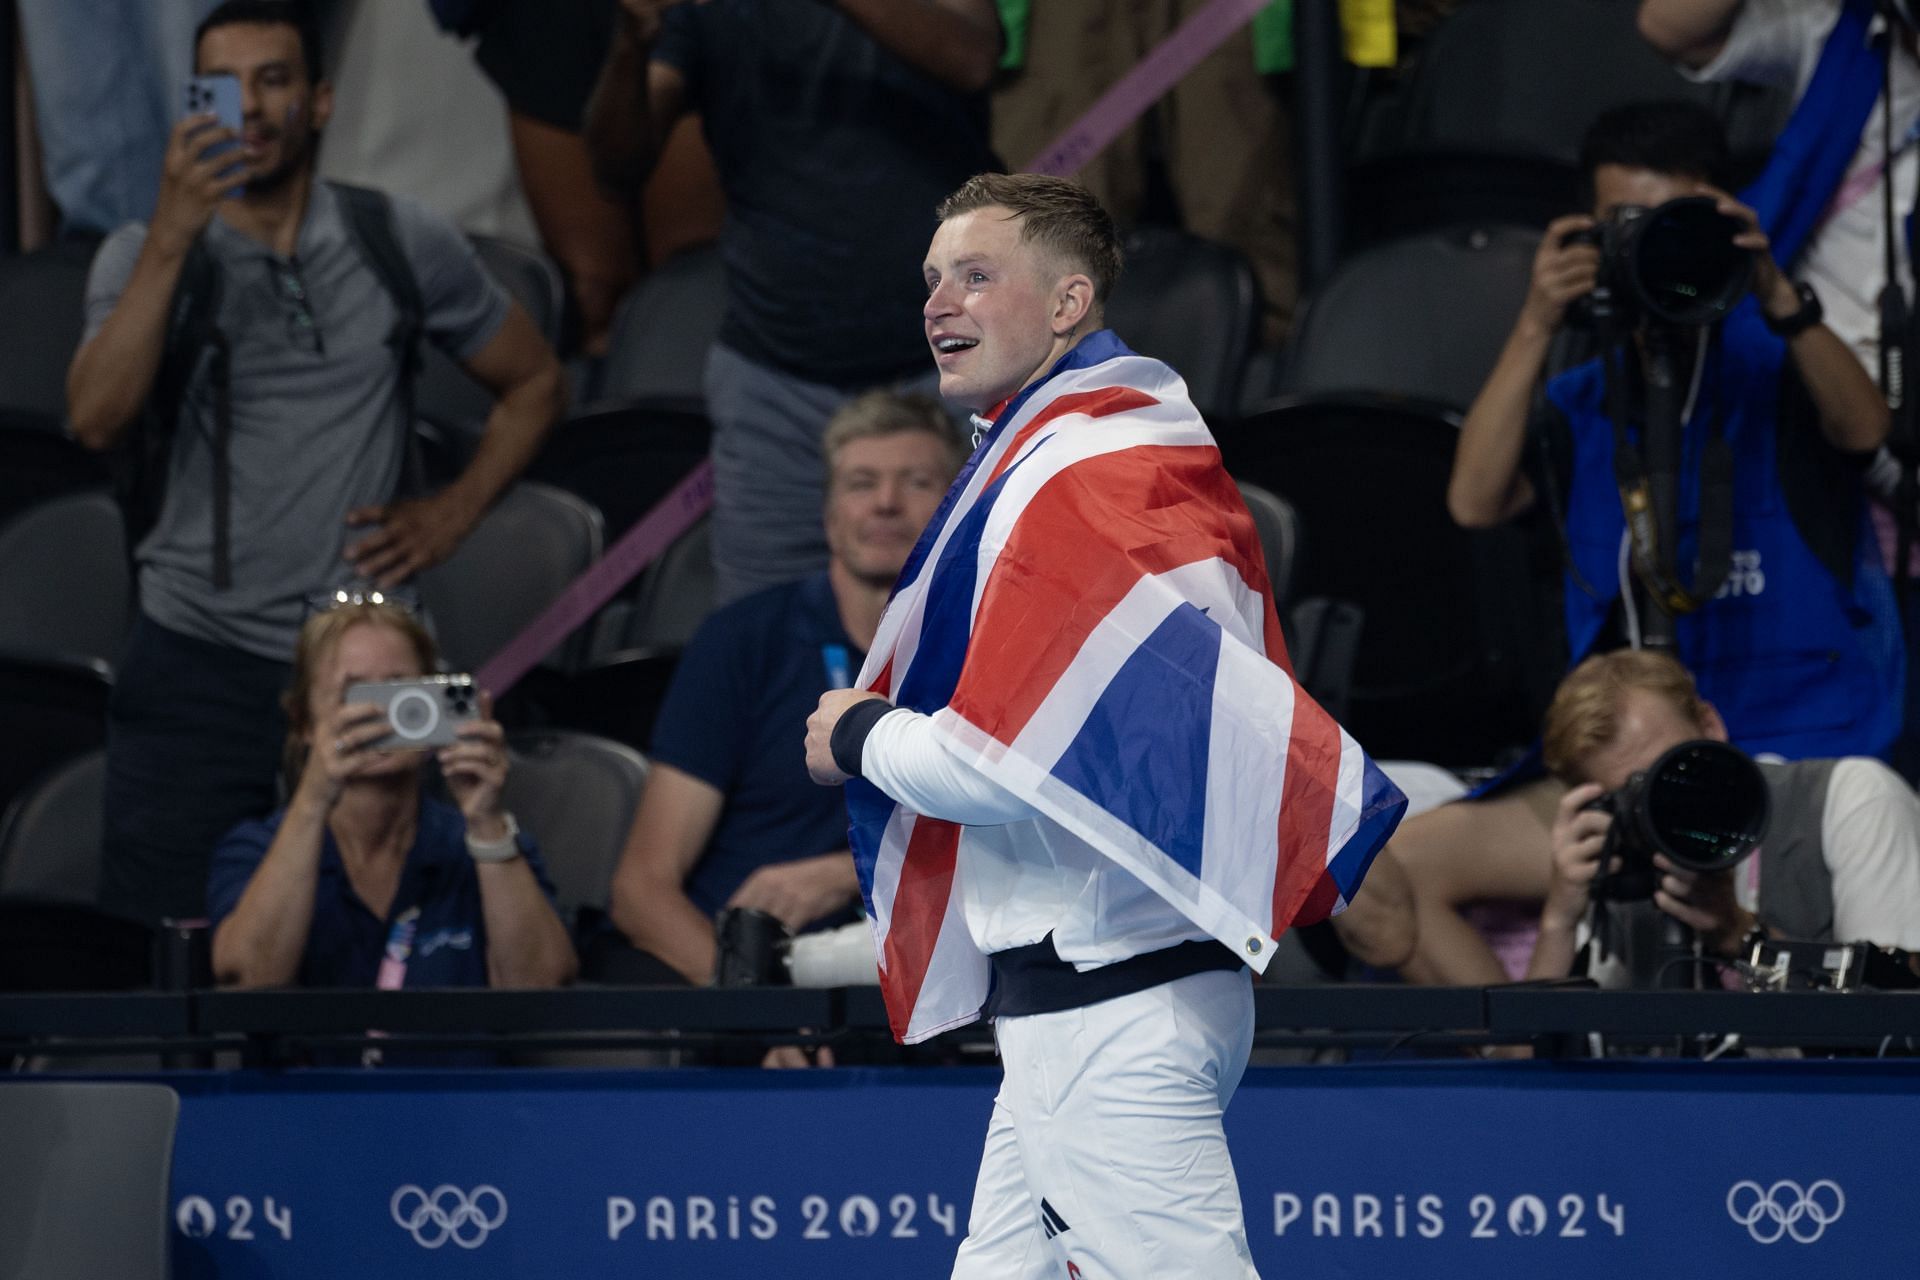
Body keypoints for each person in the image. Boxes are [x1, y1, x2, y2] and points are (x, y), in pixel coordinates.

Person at [804, 173, 1405, 1279]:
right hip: (1099, 994)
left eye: (978, 276)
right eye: (933, 279)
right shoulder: (1104, 451)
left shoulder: (1077, 481)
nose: (941, 301)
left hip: (1113, 1009)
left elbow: (1006, 764)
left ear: (1069, 301)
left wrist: (857, 734)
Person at [65, 0, 565, 925]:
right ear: (192, 105)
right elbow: (94, 419)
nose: (249, 109)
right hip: (193, 658)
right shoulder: (142, 254)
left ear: (321, 101)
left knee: (399, 942)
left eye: (275, 81)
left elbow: (536, 380)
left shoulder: (397, 238)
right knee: (160, 960)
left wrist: (453, 511)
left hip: (366, 658)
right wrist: (175, 233)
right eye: (222, 88)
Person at [1384, 101, 1902, 987]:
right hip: (1619, 768)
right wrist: (1538, 321)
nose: (1654, 243)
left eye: (1678, 220)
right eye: (1628, 224)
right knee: (1382, 873)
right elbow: (1473, 500)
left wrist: (1779, 295)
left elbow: (1864, 432)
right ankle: (1517, 1078)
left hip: (1791, 744)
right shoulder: (1588, 397)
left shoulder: (1784, 366)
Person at [583, 0, 1001, 604]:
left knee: (982, 618)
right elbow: (616, 168)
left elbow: (971, 56)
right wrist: (630, 41)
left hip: (954, 365)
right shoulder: (708, 15)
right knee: (770, 632)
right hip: (775, 383)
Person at [605, 391, 964, 988]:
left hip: (921, 978)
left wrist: (846, 873)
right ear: (827, 516)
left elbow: (1026, 836)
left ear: (956, 510)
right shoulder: (743, 639)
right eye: (861, 483)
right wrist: (758, 1017)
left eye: (917, 481)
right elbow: (642, 889)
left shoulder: (987, 647)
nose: (885, 502)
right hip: (737, 977)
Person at [208, 600, 577, 989]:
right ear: (304, 723)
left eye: (399, 692)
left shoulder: (486, 847)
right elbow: (249, 982)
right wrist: (313, 800)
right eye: (355, 695)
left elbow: (543, 991)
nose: (378, 716)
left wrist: (486, 823)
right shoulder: (255, 849)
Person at [1525, 648, 1920, 985]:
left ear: (1710, 725)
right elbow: (1521, 1061)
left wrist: (1738, 934)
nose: (1665, 802)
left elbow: (1893, 1023)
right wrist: (1559, 919)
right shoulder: (1622, 865)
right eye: (1632, 798)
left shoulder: (1849, 799)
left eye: (1672, 771)